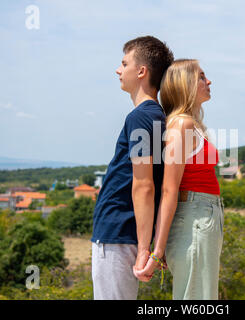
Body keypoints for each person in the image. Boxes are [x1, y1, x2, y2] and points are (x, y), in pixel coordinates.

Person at [133, 59, 225, 300]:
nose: (209, 81)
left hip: (202, 216)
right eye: (202, 77)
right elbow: (169, 190)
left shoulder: (191, 125)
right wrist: (157, 249)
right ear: (186, 84)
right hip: (195, 219)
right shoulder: (181, 125)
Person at [91, 36, 174, 300]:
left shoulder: (141, 117)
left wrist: (142, 249)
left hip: (118, 235)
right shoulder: (157, 116)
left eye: (124, 63)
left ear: (141, 71)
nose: (118, 69)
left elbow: (144, 185)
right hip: (125, 234)